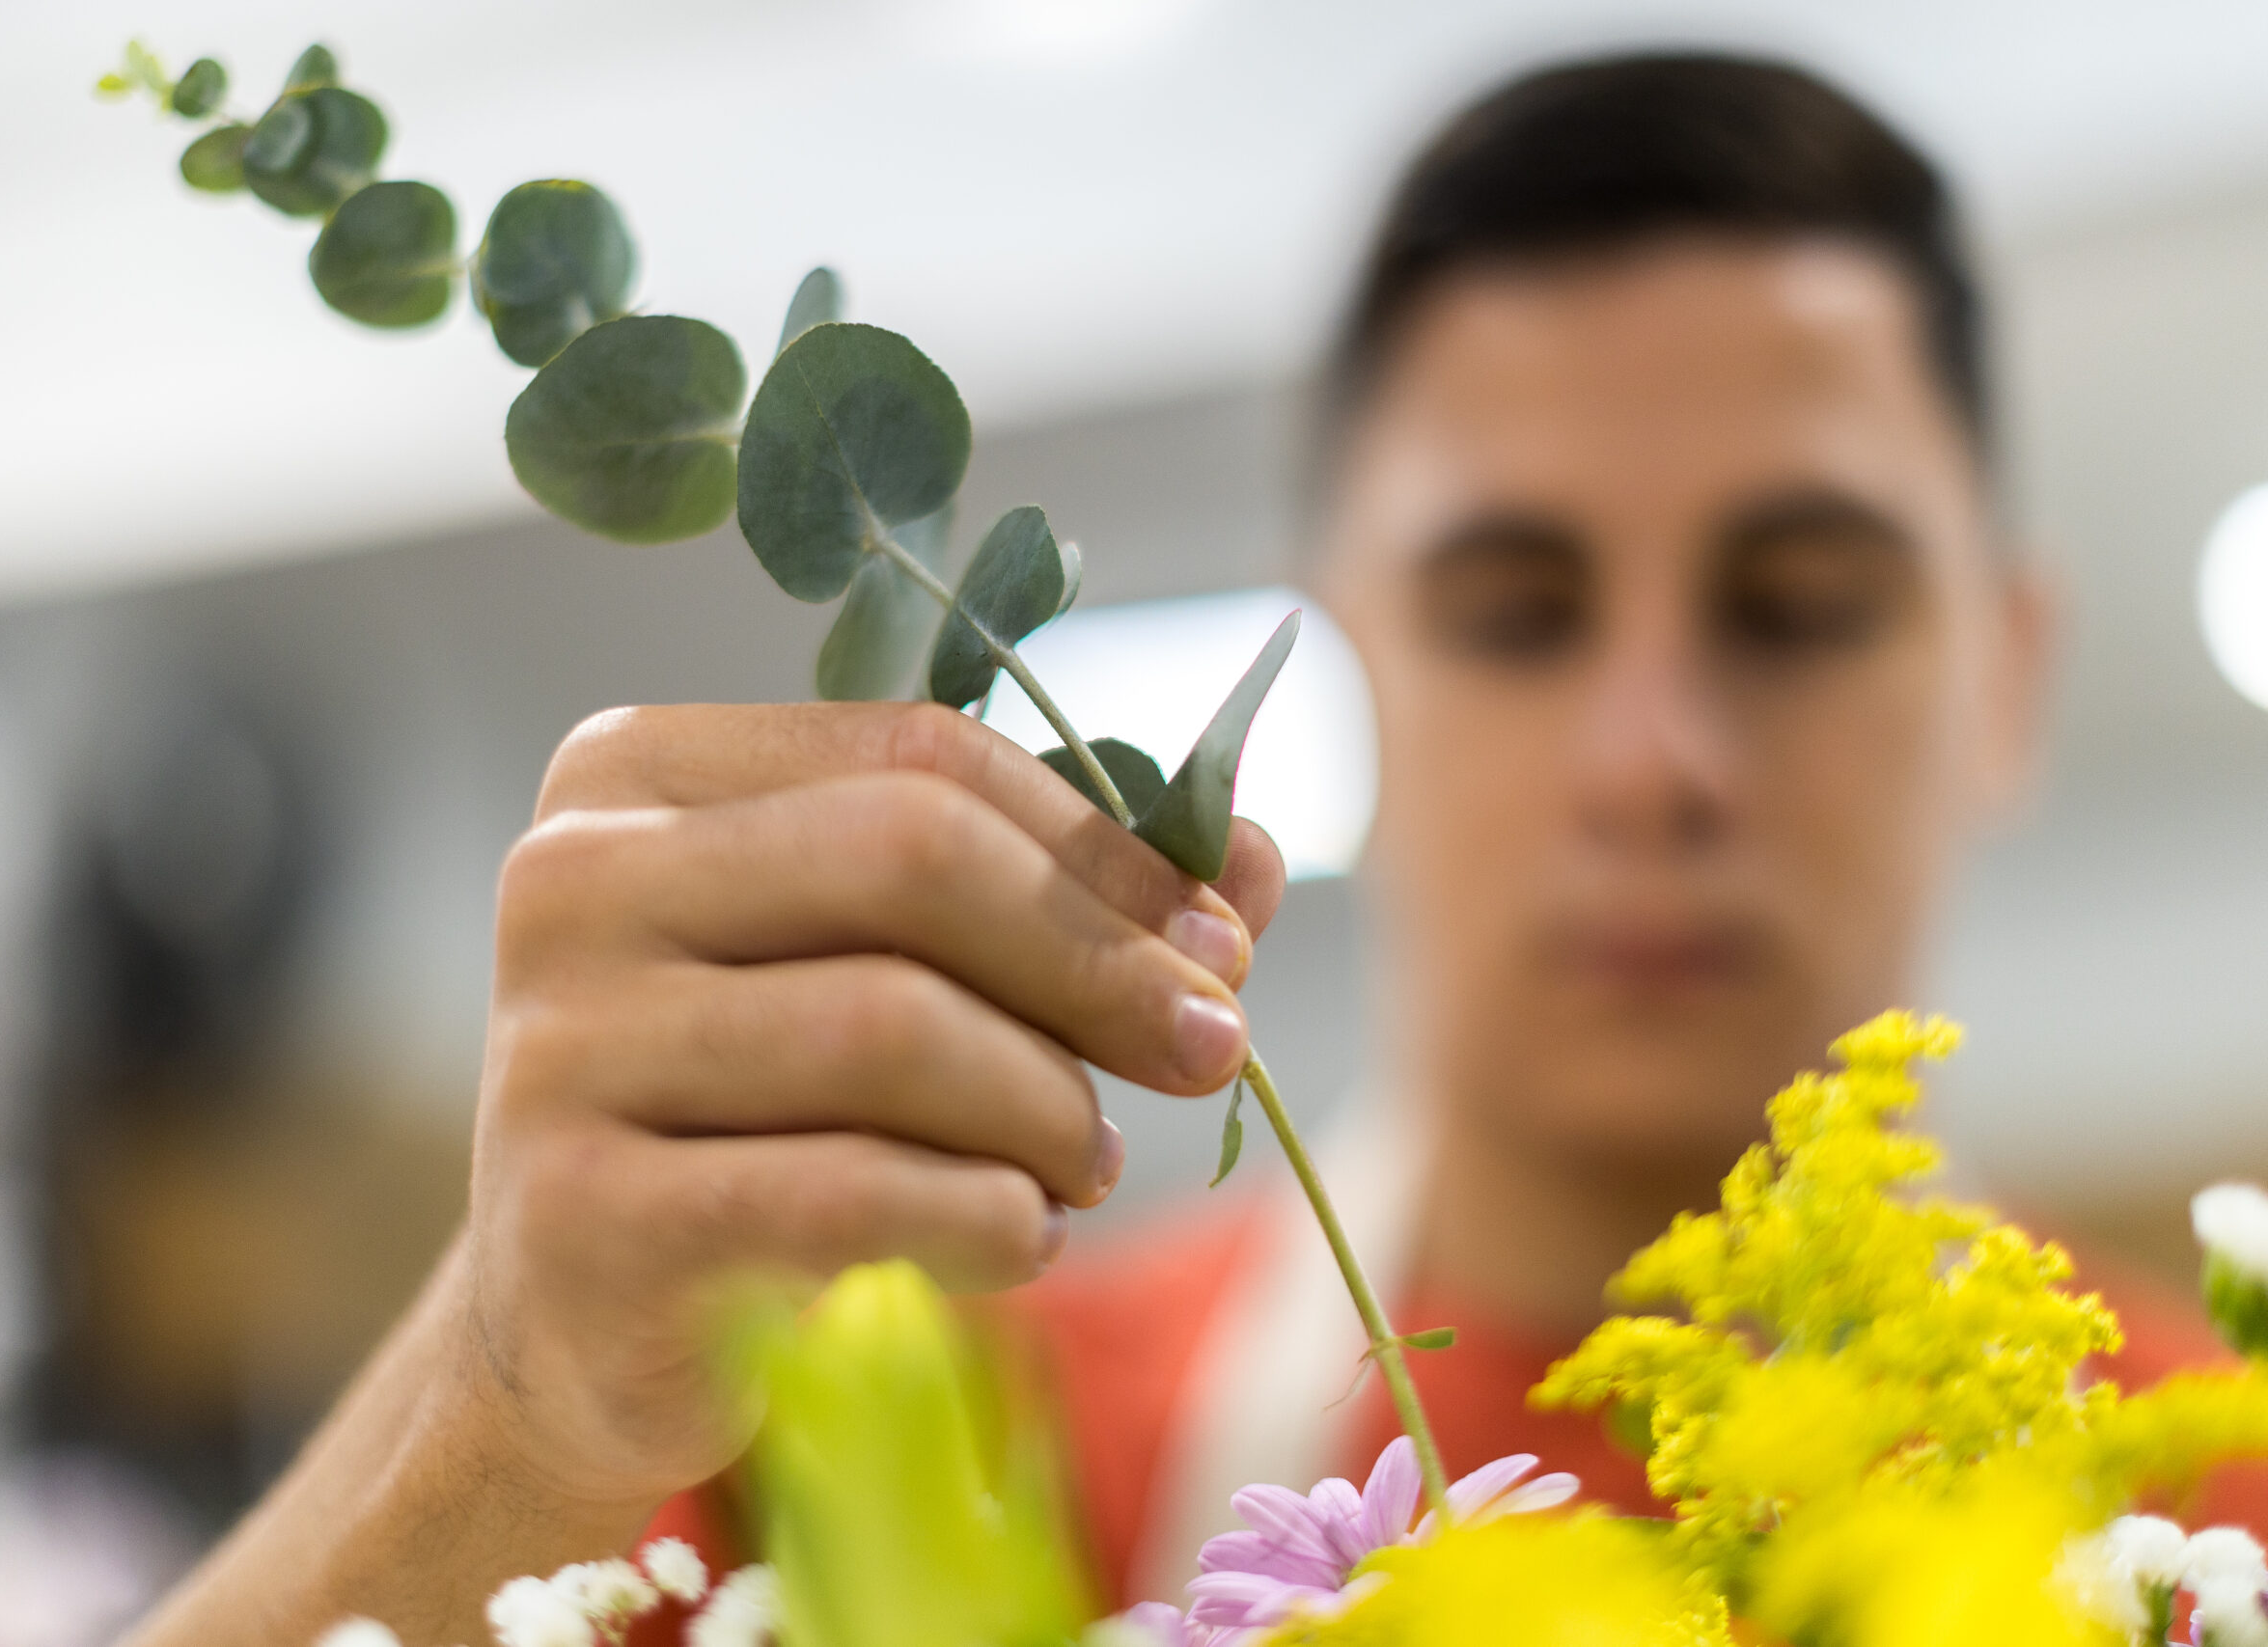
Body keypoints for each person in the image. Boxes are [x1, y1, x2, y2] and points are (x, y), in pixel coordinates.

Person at [128, 51, 2265, 1647]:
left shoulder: (2221, 1489)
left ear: (2000, 674)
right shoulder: (916, 1443)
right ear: (1343, 663)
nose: (1649, 755)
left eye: (1793, 602)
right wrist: (503, 1396)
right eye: (1513, 611)